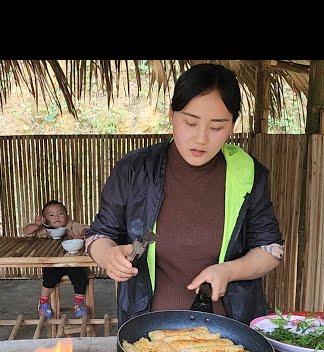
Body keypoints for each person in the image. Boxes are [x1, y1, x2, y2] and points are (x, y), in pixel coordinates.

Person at [85, 63, 284, 326]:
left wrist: (228, 271)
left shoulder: (247, 174)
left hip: (231, 334)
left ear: (232, 126)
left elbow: (270, 249)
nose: (201, 138)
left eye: (216, 127)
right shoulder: (137, 169)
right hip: (149, 332)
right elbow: (101, 235)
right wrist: (110, 256)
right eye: (190, 122)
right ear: (172, 115)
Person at [23, 200, 89, 319]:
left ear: (67, 216)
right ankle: (43, 303)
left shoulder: (71, 225)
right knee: (49, 278)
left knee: (81, 277)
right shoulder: (44, 228)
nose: (56, 217)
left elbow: (86, 229)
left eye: (60, 214)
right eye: (51, 215)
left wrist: (82, 234)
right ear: (45, 219)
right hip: (53, 263)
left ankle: (79, 303)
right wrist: (37, 225)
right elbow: (26, 231)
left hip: (71, 262)